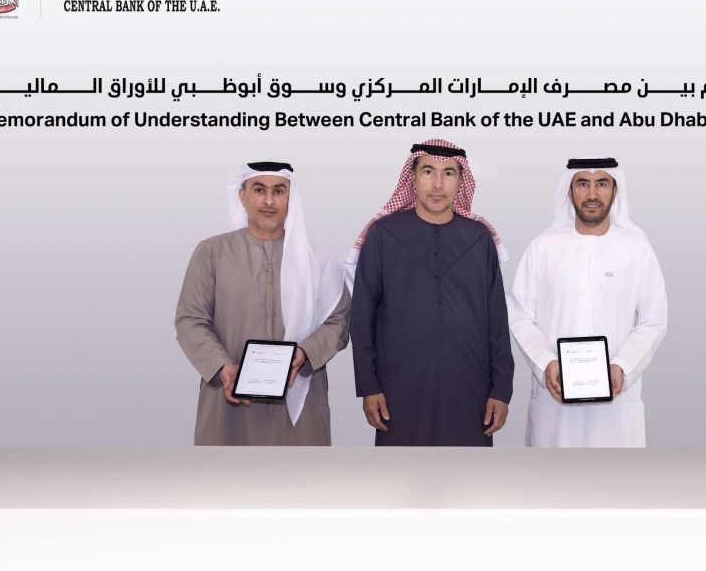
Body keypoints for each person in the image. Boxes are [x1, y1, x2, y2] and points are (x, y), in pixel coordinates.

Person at [348, 139, 514, 446]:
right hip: (398, 390)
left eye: (448, 173)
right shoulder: (383, 234)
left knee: (469, 473)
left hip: (471, 389)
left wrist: (501, 389)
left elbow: (497, 321)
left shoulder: (479, 238)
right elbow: (361, 318)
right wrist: (368, 386)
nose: (437, 184)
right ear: (412, 177)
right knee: (401, 473)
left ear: (461, 181)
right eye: (428, 172)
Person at [175, 162, 350, 445]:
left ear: (291, 198)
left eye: (278, 191)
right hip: (229, 405)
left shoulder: (318, 260)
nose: (269, 201)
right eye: (259, 190)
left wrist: (306, 354)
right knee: (227, 473)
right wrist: (221, 366)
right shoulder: (212, 253)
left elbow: (339, 321)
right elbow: (190, 320)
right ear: (242, 196)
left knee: (301, 473)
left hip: (300, 404)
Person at [506, 158, 667, 447]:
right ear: (569, 192)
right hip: (554, 405)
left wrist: (622, 366)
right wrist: (545, 362)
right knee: (552, 475)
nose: (592, 194)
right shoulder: (542, 248)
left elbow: (653, 322)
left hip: (615, 410)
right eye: (583, 183)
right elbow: (520, 315)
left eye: (601, 183)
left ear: (615, 191)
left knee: (613, 476)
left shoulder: (637, 251)